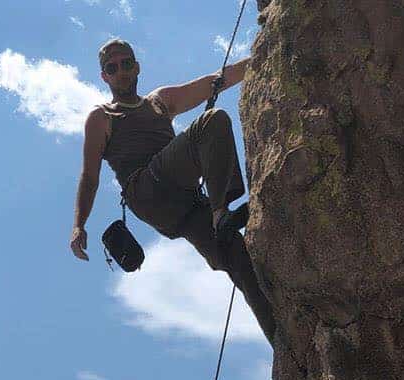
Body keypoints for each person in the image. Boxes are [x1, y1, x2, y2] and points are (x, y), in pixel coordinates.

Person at [69, 38, 274, 340]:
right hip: (147, 190)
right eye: (112, 68)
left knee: (239, 258)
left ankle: (283, 342)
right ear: (105, 77)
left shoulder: (159, 101)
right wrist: (79, 224)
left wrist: (265, 51)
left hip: (184, 207)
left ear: (137, 67)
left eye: (126, 64)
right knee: (212, 121)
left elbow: (217, 80)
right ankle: (221, 211)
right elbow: (89, 175)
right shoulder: (102, 117)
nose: (121, 71)